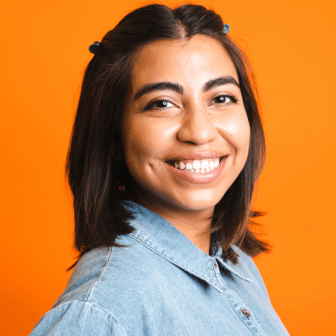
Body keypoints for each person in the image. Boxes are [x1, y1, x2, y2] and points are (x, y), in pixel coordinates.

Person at [29, 3, 290, 335]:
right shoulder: (103, 308)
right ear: (112, 134)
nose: (200, 132)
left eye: (221, 98)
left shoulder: (237, 265)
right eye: (162, 103)